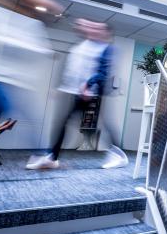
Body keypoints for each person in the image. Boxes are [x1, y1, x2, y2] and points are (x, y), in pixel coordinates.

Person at [27, 19, 128, 170]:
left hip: (92, 93)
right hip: (78, 92)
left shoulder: (107, 49)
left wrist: (88, 85)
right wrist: (61, 87)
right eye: (93, 27)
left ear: (106, 34)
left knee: (99, 123)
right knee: (67, 122)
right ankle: (52, 157)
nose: (94, 30)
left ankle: (118, 155)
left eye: (98, 29)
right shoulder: (84, 46)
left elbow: (103, 73)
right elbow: (74, 69)